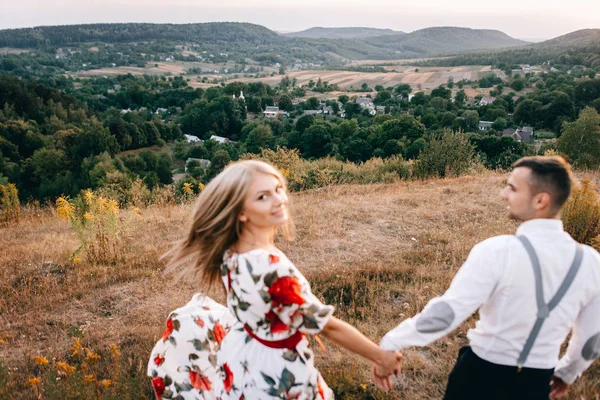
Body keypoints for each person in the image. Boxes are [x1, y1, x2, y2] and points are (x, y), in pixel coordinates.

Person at [148, 160, 402, 399]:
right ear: (241, 213)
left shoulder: (231, 252)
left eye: (278, 189)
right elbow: (326, 326)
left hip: (242, 354)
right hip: (274, 368)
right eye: (263, 197)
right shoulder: (270, 267)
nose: (279, 200)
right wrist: (380, 357)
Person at [379, 156, 600, 400]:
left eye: (513, 188)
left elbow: (447, 313)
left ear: (540, 200)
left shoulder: (498, 251)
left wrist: (391, 341)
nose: (504, 194)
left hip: (479, 378)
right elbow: (592, 340)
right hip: (536, 384)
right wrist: (568, 372)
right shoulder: (591, 262)